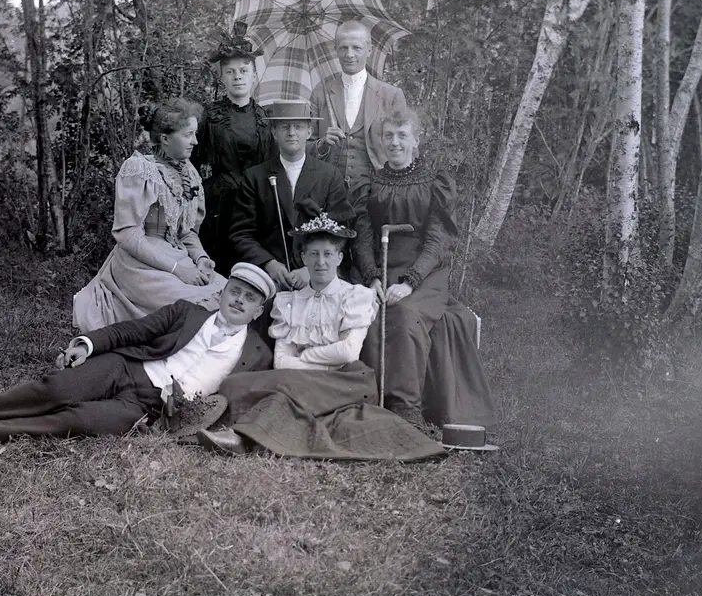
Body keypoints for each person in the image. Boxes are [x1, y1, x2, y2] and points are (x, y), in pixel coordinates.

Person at [0, 263, 278, 444]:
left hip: (146, 410)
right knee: (58, 389)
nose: (238, 301)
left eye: (249, 299)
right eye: (234, 291)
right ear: (223, 291)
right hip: (125, 368)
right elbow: (132, 330)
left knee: (76, 421)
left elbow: (242, 401)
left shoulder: (257, 354)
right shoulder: (187, 312)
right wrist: (86, 343)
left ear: (258, 312)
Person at [196, 214, 445, 461]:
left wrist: (304, 355)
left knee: (283, 391)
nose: (321, 262)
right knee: (234, 384)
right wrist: (315, 362)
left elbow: (348, 352)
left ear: (339, 257)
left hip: (343, 380)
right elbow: (281, 361)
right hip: (299, 379)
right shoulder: (289, 302)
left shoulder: (355, 296)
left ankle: (240, 438)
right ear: (303, 258)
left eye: (327, 254)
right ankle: (250, 433)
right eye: (313, 254)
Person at [352, 105, 495, 432]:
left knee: (403, 315)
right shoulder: (368, 183)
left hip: (424, 272)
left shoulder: (435, 181)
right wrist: (372, 275)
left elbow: (438, 238)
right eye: (389, 135)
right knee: (368, 316)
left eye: (403, 135)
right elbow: (362, 234)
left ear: (417, 140)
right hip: (379, 266)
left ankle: (406, 411)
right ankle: (371, 406)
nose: (395, 143)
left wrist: (410, 282)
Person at [73, 97, 226, 333]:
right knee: (190, 305)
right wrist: (178, 270)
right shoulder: (139, 169)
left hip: (178, 257)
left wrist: (201, 259)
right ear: (165, 139)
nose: (195, 141)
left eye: (195, 134)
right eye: (188, 135)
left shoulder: (190, 174)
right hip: (140, 264)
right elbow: (127, 235)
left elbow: (186, 233)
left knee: (228, 293)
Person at [229, 100, 356, 293]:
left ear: (309, 132)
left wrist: (310, 268)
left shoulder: (329, 175)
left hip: (319, 273)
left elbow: (341, 230)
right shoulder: (254, 177)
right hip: (270, 277)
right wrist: (269, 264)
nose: (291, 133)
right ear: (274, 133)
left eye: (298, 127)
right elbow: (241, 234)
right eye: (284, 127)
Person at [191, 22, 276, 278]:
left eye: (243, 70)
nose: (237, 76)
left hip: (254, 205)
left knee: (250, 269)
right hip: (218, 205)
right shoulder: (210, 115)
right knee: (219, 268)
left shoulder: (264, 119)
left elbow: (272, 165)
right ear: (222, 77)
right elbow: (192, 160)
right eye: (230, 72)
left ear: (254, 76)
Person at [308, 20, 408, 192]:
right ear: (336, 49)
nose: (349, 54)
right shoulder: (320, 92)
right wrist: (322, 144)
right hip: (329, 192)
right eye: (343, 48)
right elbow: (305, 146)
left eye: (357, 47)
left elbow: (405, 149)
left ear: (369, 50)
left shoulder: (391, 95)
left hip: (378, 192)